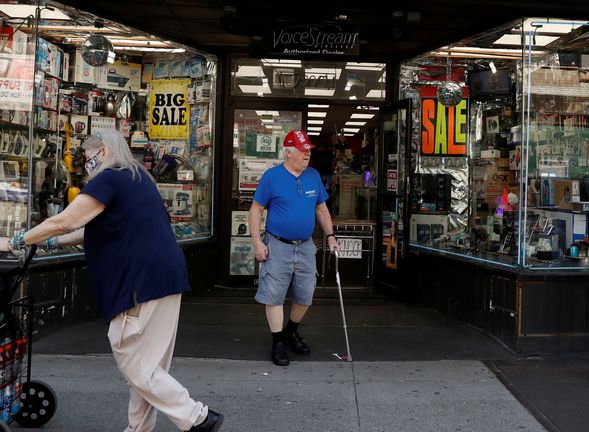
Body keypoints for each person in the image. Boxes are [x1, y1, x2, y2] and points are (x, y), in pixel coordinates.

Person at [1, 129, 223, 432]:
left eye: (86, 157)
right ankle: (139, 430)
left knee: (134, 362)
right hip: (166, 275)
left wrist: (16, 241)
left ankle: (198, 418)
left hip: (139, 280)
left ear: (103, 152)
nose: (84, 164)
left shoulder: (110, 176)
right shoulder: (138, 177)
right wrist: (51, 243)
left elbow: (65, 219)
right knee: (150, 367)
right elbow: (92, 228)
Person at [249, 130, 340, 366]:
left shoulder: (313, 176)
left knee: (305, 295)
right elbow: (256, 210)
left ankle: (291, 331)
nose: (307, 154)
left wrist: (330, 235)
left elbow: (321, 209)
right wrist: (257, 242)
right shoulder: (272, 177)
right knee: (274, 295)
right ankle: (277, 341)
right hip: (277, 245)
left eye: (308, 150)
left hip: (306, 246)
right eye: (302, 150)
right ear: (288, 152)